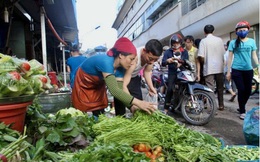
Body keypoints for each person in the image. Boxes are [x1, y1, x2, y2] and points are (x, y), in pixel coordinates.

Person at [71, 37, 157, 117]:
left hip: (97, 85)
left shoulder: (120, 69)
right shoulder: (106, 62)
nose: (132, 63)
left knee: (99, 113)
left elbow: (120, 90)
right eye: (131, 59)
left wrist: (131, 107)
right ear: (121, 56)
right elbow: (114, 90)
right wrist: (139, 103)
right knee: (81, 112)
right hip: (84, 82)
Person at [114, 39, 163, 116]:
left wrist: (151, 87)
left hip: (135, 78)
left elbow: (146, 72)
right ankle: (120, 119)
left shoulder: (151, 59)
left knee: (139, 105)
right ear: (144, 51)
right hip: (122, 77)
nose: (152, 62)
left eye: (155, 60)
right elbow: (125, 83)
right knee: (121, 101)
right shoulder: (134, 57)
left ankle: (138, 120)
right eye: (150, 59)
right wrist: (129, 101)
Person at [226, 21, 259, 120]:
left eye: (244, 30)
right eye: (240, 30)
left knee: (248, 91)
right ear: (236, 32)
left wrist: (258, 66)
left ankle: (241, 106)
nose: (242, 32)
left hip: (248, 69)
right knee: (241, 90)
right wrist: (228, 71)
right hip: (237, 70)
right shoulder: (233, 43)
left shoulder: (252, 42)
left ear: (248, 30)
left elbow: (254, 55)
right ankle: (242, 111)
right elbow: (230, 58)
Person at [197, 24, 225, 111]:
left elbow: (201, 56)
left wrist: (203, 62)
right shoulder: (219, 40)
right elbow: (223, 54)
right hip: (219, 67)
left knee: (210, 88)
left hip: (209, 68)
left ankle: (213, 107)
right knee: (220, 87)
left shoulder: (203, 41)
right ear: (213, 31)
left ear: (204, 32)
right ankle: (221, 105)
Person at [161, 34, 189, 114]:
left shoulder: (184, 52)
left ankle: (183, 106)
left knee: (185, 89)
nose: (175, 45)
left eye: (177, 43)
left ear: (180, 43)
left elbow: (187, 61)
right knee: (170, 89)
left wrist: (181, 63)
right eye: (174, 43)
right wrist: (168, 61)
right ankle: (165, 109)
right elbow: (163, 63)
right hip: (172, 72)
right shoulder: (168, 52)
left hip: (183, 72)